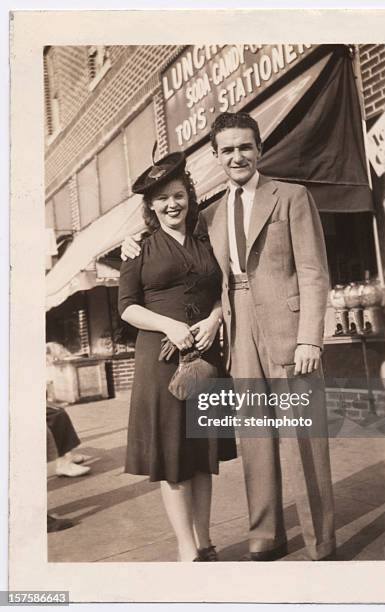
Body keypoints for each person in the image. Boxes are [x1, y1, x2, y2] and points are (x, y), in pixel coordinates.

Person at [122, 112, 335, 562]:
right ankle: (266, 534)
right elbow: (189, 264)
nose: (237, 156)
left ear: (258, 149)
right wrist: (132, 243)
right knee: (255, 436)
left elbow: (315, 272)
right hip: (237, 333)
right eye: (228, 150)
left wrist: (310, 339)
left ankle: (320, 540)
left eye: (245, 147)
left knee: (302, 434)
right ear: (217, 158)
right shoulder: (211, 217)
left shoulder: (291, 196)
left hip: (286, 327)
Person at [118, 151, 236, 562]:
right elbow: (127, 307)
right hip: (161, 361)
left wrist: (216, 320)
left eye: (178, 194)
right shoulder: (139, 251)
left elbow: (222, 291)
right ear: (150, 206)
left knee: (203, 457)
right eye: (162, 198)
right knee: (174, 460)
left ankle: (204, 541)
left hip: (205, 356)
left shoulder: (208, 240)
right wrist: (167, 326)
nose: (172, 204)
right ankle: (187, 549)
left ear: (189, 194)